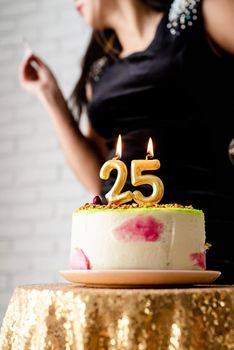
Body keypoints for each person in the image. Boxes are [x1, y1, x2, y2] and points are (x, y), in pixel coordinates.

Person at [19, 0, 234, 283]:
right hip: (118, 254)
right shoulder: (99, 72)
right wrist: (51, 97)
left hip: (208, 236)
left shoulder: (200, 12)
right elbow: (96, 179)